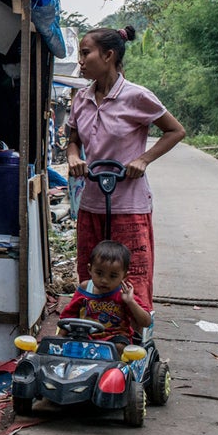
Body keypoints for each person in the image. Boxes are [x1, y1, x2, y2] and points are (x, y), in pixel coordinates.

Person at [66, 25, 185, 311]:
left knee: (133, 277)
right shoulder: (80, 99)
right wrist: (73, 157)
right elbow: (73, 140)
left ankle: (133, 339)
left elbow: (175, 131)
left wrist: (143, 160)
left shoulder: (137, 96)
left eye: (85, 53)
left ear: (108, 55)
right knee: (92, 275)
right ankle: (95, 331)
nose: (80, 61)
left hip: (129, 205)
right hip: (91, 201)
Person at [58, 239, 152, 344]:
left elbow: (146, 322)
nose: (104, 280)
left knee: (119, 347)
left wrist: (130, 302)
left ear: (124, 277)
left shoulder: (123, 294)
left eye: (112, 276)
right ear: (90, 269)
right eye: (99, 273)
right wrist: (60, 337)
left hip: (113, 338)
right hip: (85, 336)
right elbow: (69, 315)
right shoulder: (85, 288)